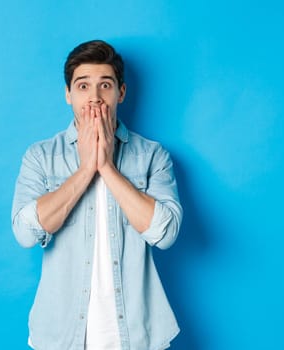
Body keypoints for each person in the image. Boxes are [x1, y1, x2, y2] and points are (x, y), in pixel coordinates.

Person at [12, 40, 183, 350]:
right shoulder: (40, 156)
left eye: (105, 85)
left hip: (137, 334)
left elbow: (166, 233)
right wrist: (85, 169)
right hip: (60, 335)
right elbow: (25, 233)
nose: (94, 97)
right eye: (82, 86)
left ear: (121, 92)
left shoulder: (152, 156)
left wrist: (106, 166)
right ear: (68, 94)